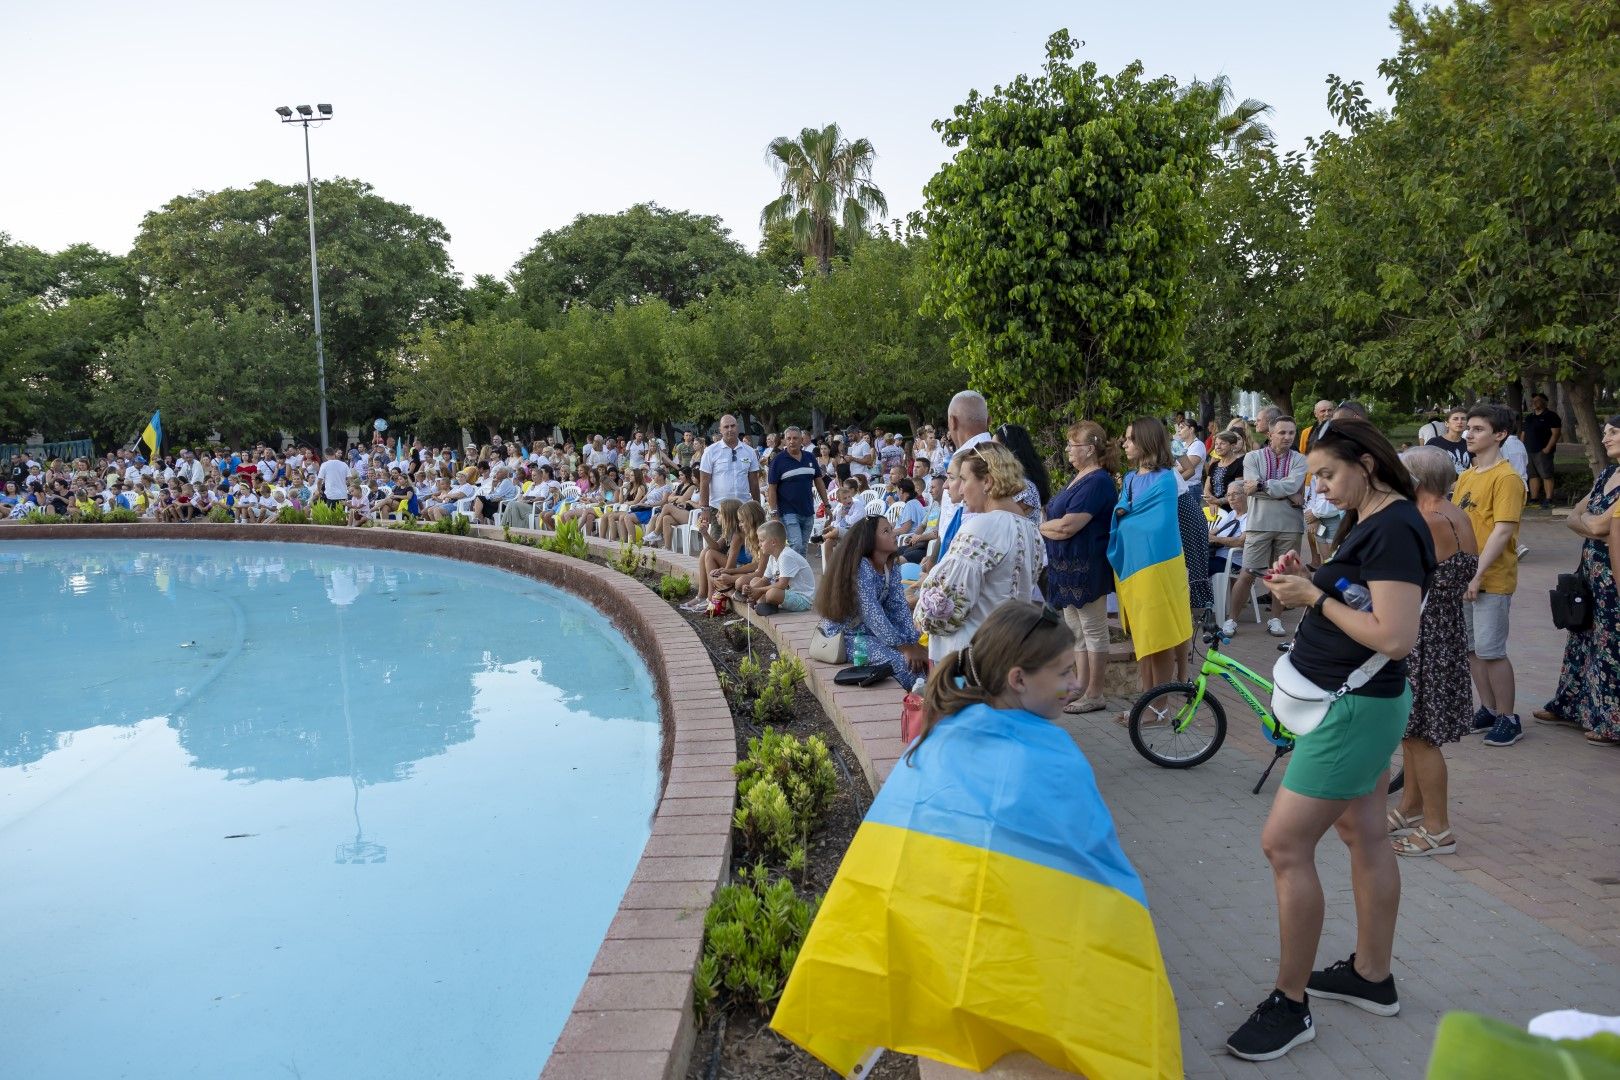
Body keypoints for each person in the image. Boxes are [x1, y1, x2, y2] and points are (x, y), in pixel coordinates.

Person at [1224, 417, 1433, 1063]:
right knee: (1362, 830)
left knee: (1284, 844)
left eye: (1327, 474)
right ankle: (1372, 977)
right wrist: (1314, 577)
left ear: (1366, 463)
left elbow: (1396, 635)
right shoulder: (1377, 519)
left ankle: (1291, 1005)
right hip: (1356, 704)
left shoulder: (1395, 525)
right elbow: (1362, 597)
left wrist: (1313, 595)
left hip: (1352, 709)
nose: (1319, 488)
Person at [1388, 446, 1480, 857]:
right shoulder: (1456, 513)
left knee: (1422, 735)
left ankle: (1438, 829)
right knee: (1411, 731)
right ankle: (1411, 806)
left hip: (1426, 635)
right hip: (1443, 631)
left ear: (1417, 479)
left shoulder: (1426, 520)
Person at [915, 444, 1045, 662]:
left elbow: (947, 603)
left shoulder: (981, 528)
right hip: (1010, 649)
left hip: (970, 656)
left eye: (964, 479)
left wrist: (921, 612)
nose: (961, 489)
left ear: (987, 481)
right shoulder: (1031, 530)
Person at [1535, 415, 1620, 746]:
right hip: (1590, 571)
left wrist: (1591, 523)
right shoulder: (1608, 476)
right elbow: (1574, 517)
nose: (1606, 438)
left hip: (1613, 572)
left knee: (1609, 644)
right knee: (1581, 636)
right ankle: (1570, 706)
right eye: (1605, 433)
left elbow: (1602, 527)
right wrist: (1591, 522)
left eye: (1613, 432)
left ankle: (1609, 721)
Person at [1454, 403, 1527, 748]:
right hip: (1466, 575)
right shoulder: (1467, 476)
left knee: (1491, 650)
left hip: (1490, 577)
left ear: (1500, 435)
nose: (1469, 433)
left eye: (1478, 428)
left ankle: (1508, 717)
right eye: (1469, 427)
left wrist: (1477, 574)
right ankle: (1488, 708)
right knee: (1471, 648)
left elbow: (1501, 532)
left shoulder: (1507, 478)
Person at [1111, 417, 1192, 698]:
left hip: (1160, 565)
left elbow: (1160, 525)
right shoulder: (1131, 478)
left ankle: (1160, 705)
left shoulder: (1167, 478)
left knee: (1161, 635)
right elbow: (1123, 507)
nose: (1125, 443)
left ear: (1147, 441)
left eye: (1130, 438)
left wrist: (1126, 519)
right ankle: (1148, 701)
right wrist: (1123, 512)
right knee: (1143, 635)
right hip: (1136, 565)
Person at [1040, 420, 1117, 713]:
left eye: (1073, 445)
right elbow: (1058, 524)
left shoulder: (1098, 481)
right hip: (1067, 567)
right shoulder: (1081, 476)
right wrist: (1051, 527)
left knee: (1093, 628)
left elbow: (1070, 525)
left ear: (1090, 448)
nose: (1068, 450)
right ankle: (1081, 686)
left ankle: (1095, 693)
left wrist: (1040, 528)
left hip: (1087, 566)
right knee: (1076, 628)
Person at [814, 514, 927, 687]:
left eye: (891, 529)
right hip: (846, 635)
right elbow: (872, 613)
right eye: (886, 531)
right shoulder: (861, 566)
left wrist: (912, 642)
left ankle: (932, 692)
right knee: (900, 661)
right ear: (870, 541)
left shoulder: (892, 565)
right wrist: (904, 647)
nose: (894, 534)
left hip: (870, 631)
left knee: (926, 652)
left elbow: (899, 607)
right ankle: (921, 698)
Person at [1227, 414, 1305, 638]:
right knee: (1248, 571)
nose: (1288, 437)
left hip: (1290, 525)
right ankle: (1231, 620)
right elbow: (1250, 488)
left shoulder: (1300, 459)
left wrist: (1263, 485)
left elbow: (1294, 485)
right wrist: (1287, 493)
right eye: (1282, 432)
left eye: (1291, 432)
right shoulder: (1252, 457)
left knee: (1282, 575)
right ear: (1270, 434)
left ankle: (1276, 620)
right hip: (1259, 523)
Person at [766, 425, 830, 557]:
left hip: (807, 510)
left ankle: (799, 576)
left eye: (795, 438)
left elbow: (819, 481)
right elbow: (772, 488)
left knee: (803, 547)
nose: (791, 441)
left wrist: (826, 504)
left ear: (802, 440)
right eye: (788, 438)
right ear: (784, 440)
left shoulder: (810, 457)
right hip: (787, 511)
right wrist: (773, 512)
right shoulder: (778, 460)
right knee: (796, 545)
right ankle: (790, 575)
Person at [697, 414, 761, 526]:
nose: (730, 429)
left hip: (744, 508)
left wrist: (757, 507)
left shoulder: (750, 451)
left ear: (737, 427)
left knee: (746, 543)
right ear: (720, 430)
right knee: (718, 543)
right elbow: (704, 482)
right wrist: (704, 508)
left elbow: (754, 482)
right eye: (726, 427)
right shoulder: (711, 451)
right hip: (718, 509)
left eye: (733, 426)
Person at [742, 520, 818, 615]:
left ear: (773, 542)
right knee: (755, 580)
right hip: (785, 593)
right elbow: (765, 579)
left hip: (803, 599)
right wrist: (751, 589)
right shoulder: (772, 557)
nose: (759, 544)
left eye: (761, 541)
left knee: (771, 594)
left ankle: (765, 604)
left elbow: (782, 585)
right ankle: (765, 604)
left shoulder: (786, 556)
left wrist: (759, 590)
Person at [1523, 392, 1563, 510]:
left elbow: (1556, 434)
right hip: (1529, 451)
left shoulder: (1552, 416)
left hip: (1543, 451)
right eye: (1533, 401)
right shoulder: (1529, 417)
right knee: (1532, 475)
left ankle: (1549, 499)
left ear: (1544, 402)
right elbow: (1524, 433)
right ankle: (1534, 499)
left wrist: (1547, 448)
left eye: (1537, 400)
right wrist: (1521, 447)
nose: (1534, 403)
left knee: (1546, 474)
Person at [1426, 408, 1471, 474]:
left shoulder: (1469, 444)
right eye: (1455, 419)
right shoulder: (1433, 443)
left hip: (1464, 483)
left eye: (1463, 419)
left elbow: (1476, 468)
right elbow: (1425, 468)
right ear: (1447, 424)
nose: (1459, 422)